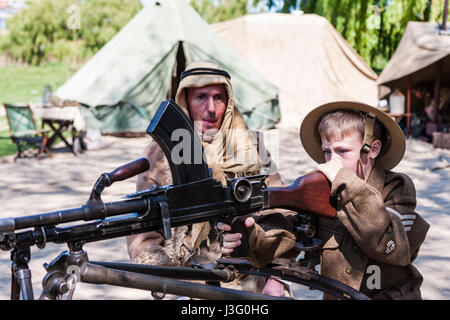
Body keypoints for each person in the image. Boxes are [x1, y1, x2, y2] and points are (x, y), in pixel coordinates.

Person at [222, 101, 430, 300]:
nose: (332, 161)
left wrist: (346, 182)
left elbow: (392, 246)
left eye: (343, 151)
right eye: (327, 152)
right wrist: (250, 236)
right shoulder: (323, 190)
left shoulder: (396, 188)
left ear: (372, 149)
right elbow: (292, 233)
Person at [126, 61, 288, 297]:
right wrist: (173, 278)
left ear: (229, 102)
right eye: (201, 97)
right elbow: (142, 237)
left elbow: (284, 213)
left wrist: (277, 276)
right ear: (185, 102)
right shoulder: (160, 155)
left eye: (218, 97)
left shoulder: (252, 148)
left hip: (256, 277)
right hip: (191, 283)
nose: (211, 108)